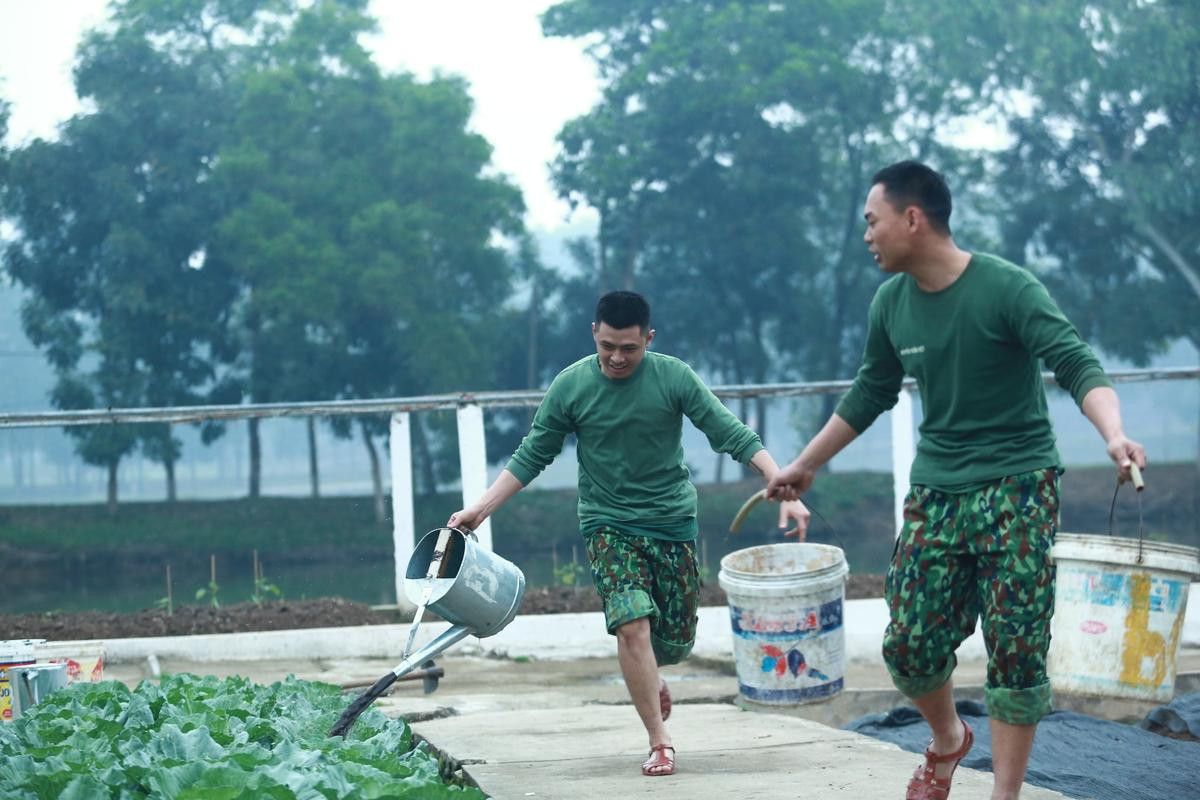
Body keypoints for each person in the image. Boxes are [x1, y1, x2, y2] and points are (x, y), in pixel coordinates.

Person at [766, 161, 1145, 800]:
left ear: (911, 218)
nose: (867, 235)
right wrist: (806, 463)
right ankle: (948, 739)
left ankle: (1004, 794)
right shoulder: (891, 303)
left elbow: (1077, 364)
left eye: (872, 221)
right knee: (909, 647)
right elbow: (869, 393)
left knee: (1016, 652)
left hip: (1018, 486)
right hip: (937, 491)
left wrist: (1112, 433)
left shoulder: (1007, 288)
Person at [448, 290, 809, 778]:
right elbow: (533, 453)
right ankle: (660, 741)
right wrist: (481, 508)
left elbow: (731, 433)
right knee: (631, 621)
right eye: (608, 347)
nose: (617, 358)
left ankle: (652, 674)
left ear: (649, 340)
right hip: (607, 523)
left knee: (675, 641)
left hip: (671, 522)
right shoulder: (570, 387)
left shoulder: (673, 377)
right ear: (594, 334)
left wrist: (783, 486)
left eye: (629, 349)